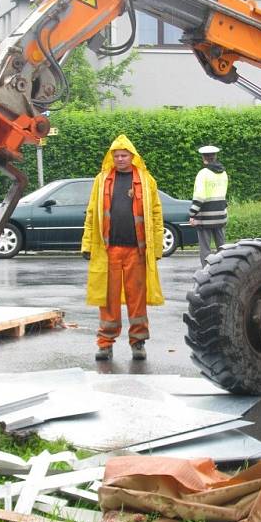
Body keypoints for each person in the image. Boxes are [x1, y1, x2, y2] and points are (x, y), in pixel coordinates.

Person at [81, 134, 164, 361]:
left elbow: (156, 215)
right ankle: (105, 344)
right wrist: (87, 244)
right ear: (112, 157)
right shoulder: (102, 180)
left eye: (123, 155)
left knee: (137, 299)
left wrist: (156, 248)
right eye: (116, 155)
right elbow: (91, 213)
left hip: (137, 252)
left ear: (132, 156)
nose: (120, 159)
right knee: (107, 300)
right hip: (109, 252)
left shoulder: (147, 181)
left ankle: (138, 343)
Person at [189, 145, 229, 267]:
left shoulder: (203, 174)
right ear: (215, 156)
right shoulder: (223, 173)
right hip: (221, 215)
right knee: (222, 247)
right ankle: (224, 269)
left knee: (205, 249)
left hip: (205, 218)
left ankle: (207, 272)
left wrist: (192, 214)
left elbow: (199, 197)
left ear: (204, 158)